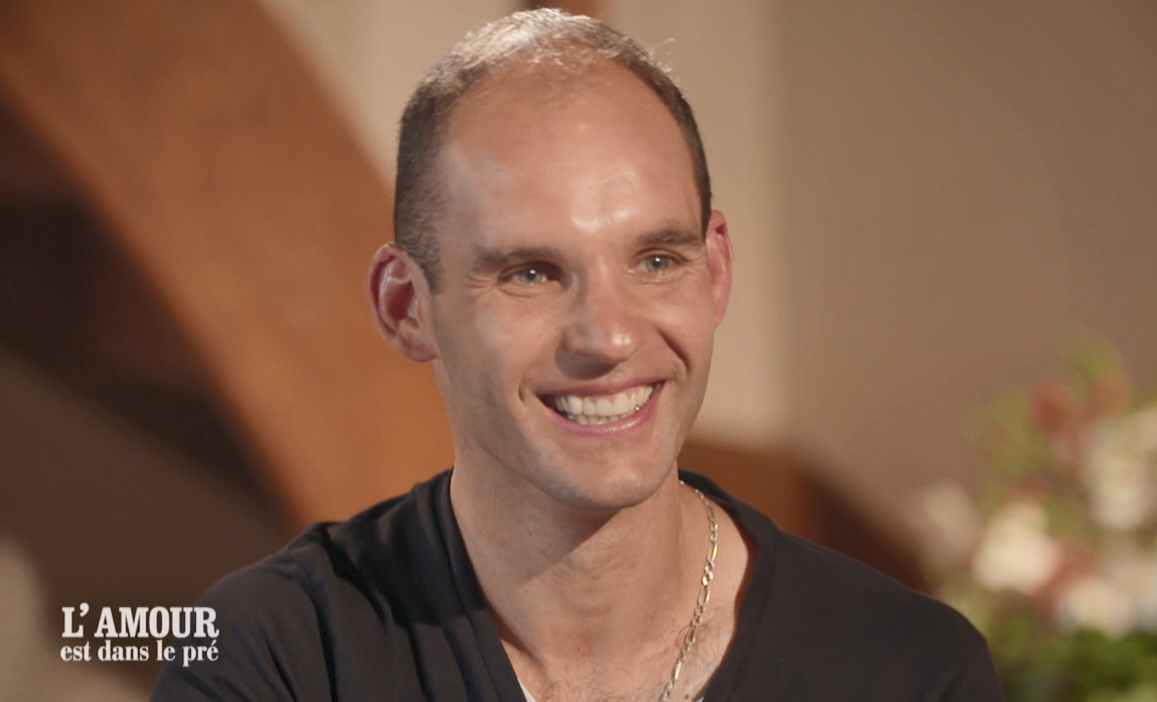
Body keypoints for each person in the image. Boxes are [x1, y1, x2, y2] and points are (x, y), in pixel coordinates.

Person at [152, 9, 1004, 701]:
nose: (611, 336)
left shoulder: (907, 673)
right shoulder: (276, 659)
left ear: (714, 273)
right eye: (530, 273)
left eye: (657, 261)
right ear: (407, 306)